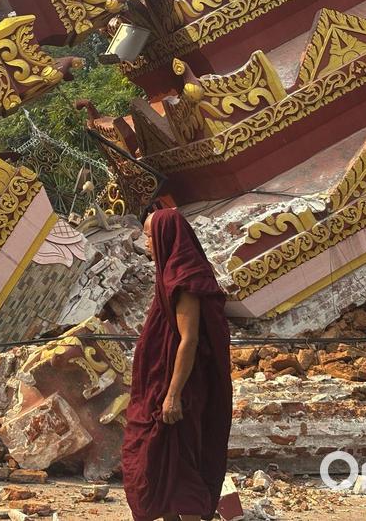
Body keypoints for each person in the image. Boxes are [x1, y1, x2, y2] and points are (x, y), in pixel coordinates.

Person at [122, 208, 234, 521]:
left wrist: (172, 395)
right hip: (159, 384)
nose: (145, 242)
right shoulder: (169, 273)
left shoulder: (185, 280)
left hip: (179, 387)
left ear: (165, 237)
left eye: (148, 235)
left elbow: (189, 340)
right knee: (160, 465)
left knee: (180, 466)